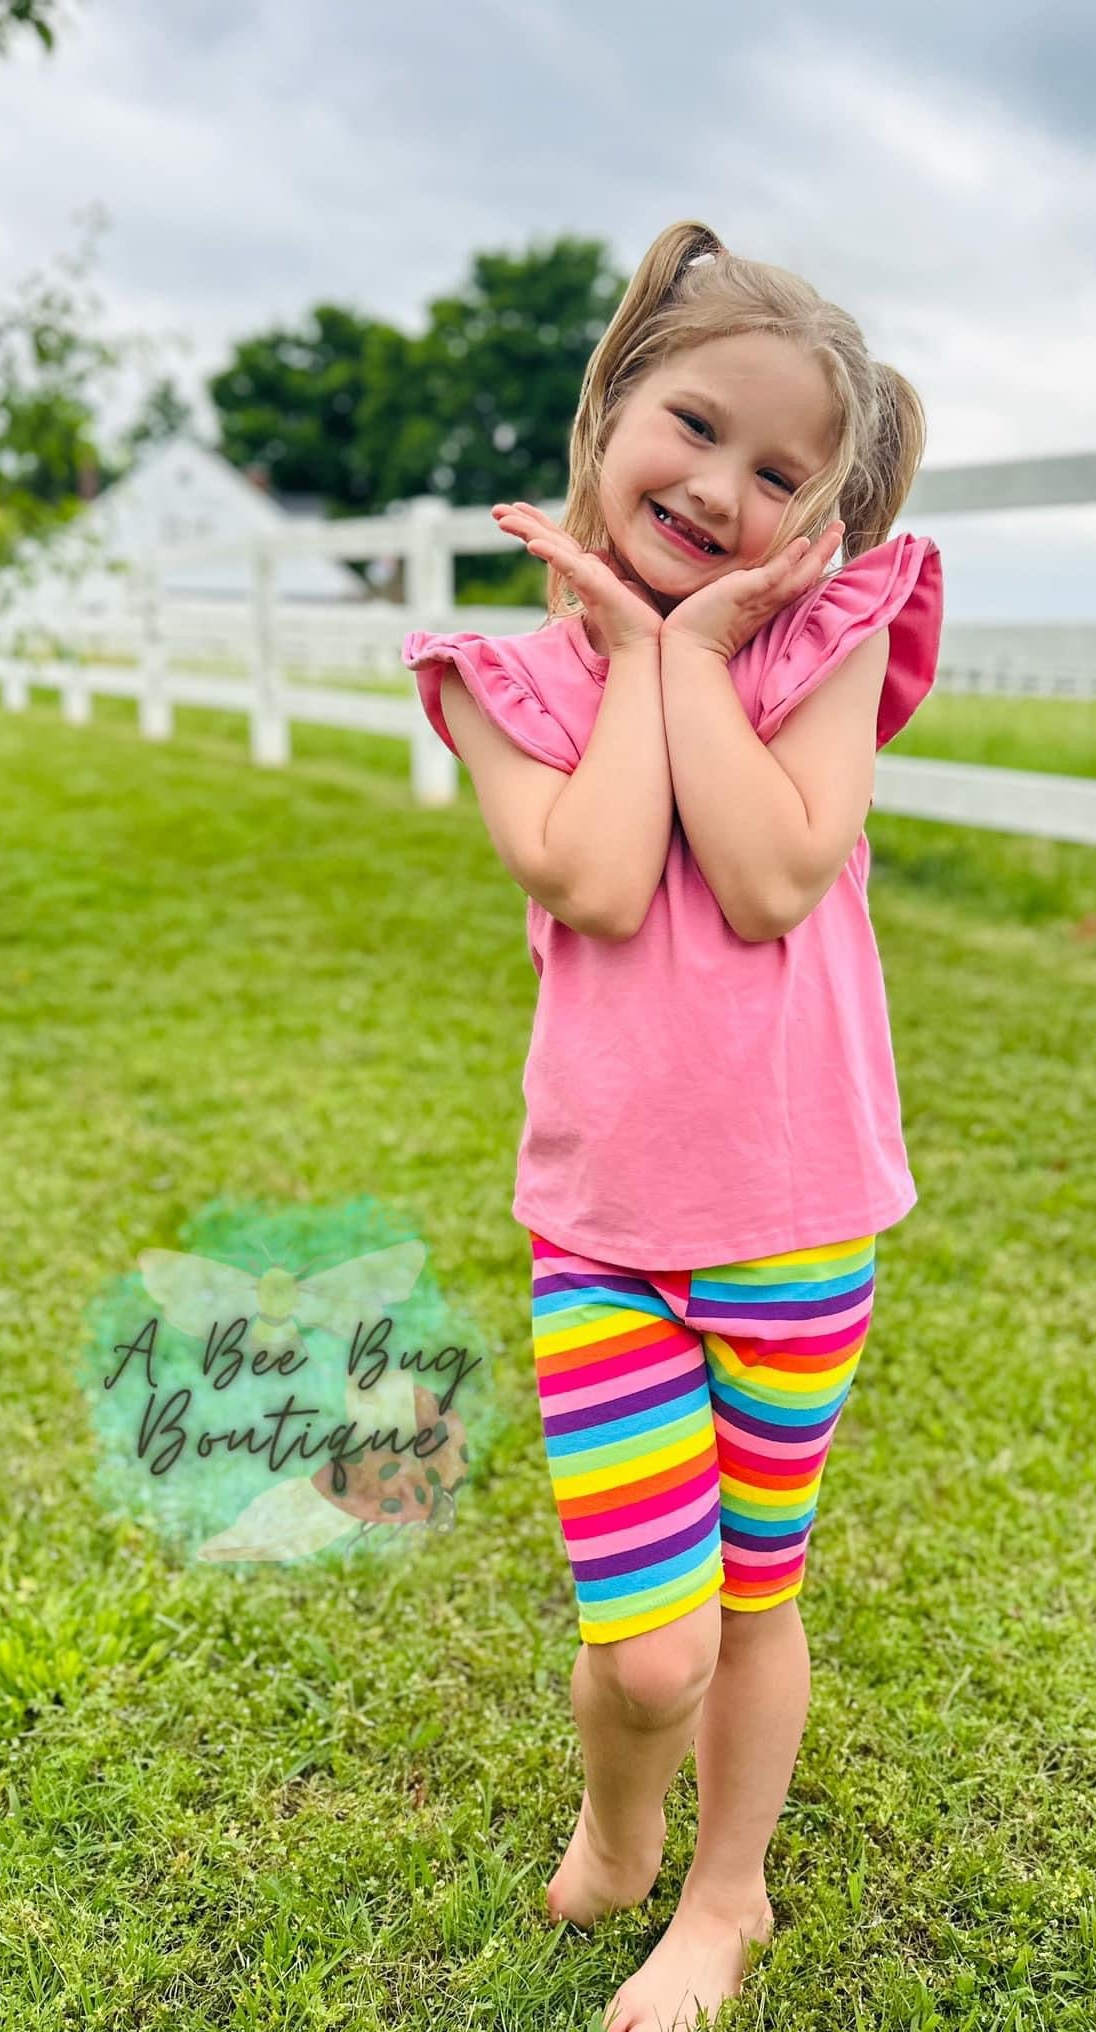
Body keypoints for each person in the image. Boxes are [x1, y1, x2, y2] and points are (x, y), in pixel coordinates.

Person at [403, 217, 943, 2032]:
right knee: (647, 1650)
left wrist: (702, 649)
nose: (720, 486)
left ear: (824, 521)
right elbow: (608, 876)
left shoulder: (830, 648)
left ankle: (724, 1896)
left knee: (756, 1594)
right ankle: (622, 1831)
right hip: (610, 1234)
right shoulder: (504, 682)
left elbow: (784, 871)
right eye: (694, 426)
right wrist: (640, 653)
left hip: (796, 1225)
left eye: (779, 472)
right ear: (611, 405)